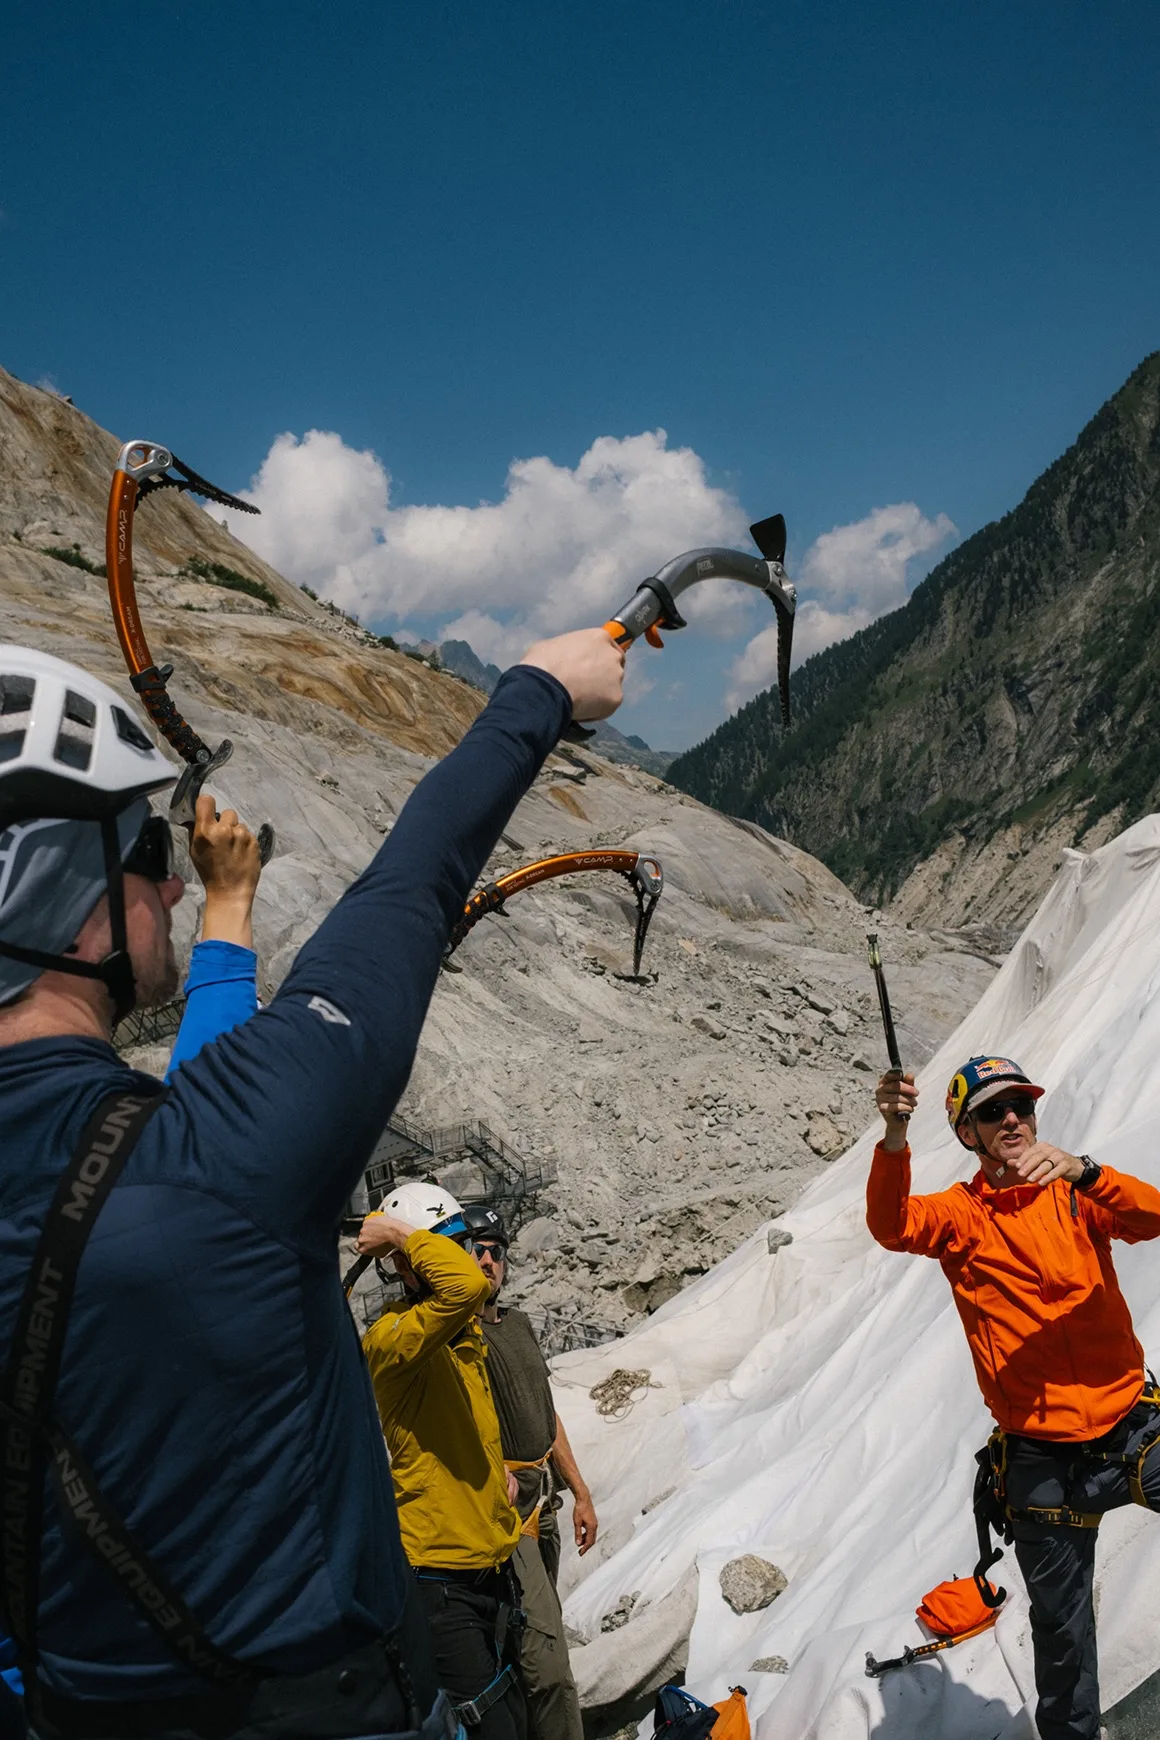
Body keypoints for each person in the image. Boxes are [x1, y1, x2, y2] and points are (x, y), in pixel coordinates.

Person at [0, 628, 623, 1740]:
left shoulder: (185, 1162)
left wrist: (230, 916)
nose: (170, 884)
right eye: (142, 848)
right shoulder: (214, 1158)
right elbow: (410, 882)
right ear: (50, 885)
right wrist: (537, 690)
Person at [868, 1054, 1160, 1740]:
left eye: (1021, 1107)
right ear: (966, 1132)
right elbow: (892, 1225)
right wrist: (893, 1139)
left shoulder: (1075, 1189)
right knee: (1061, 1642)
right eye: (993, 1112)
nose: (1012, 1119)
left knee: (1063, 1634)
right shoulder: (961, 1216)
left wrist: (1087, 1171)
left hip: (1130, 1430)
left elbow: (1153, 1218)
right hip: (1040, 1459)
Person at [358, 1186, 527, 1740]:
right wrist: (399, 1234)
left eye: (462, 1244)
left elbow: (462, 1427)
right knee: (495, 1730)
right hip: (440, 1582)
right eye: (443, 1247)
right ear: (405, 1265)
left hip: (488, 1569)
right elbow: (465, 1284)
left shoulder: (461, 1333)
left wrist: (495, 1470)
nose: (461, 1257)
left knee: (515, 1718)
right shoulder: (392, 1340)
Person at [473, 1211, 596, 1740]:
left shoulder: (518, 1325)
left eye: (496, 1252)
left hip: (543, 1502)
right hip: (505, 1513)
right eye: (475, 1250)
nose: (487, 1261)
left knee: (530, 1634)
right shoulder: (459, 1332)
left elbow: (546, 1417)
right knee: (548, 1666)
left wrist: (582, 1493)